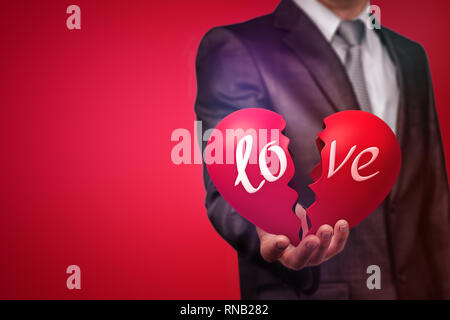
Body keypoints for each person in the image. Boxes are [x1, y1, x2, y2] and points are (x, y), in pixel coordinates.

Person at [194, 0, 450, 299]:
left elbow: (433, 197)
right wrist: (269, 230)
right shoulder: (237, 47)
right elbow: (231, 182)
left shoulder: (411, 56)